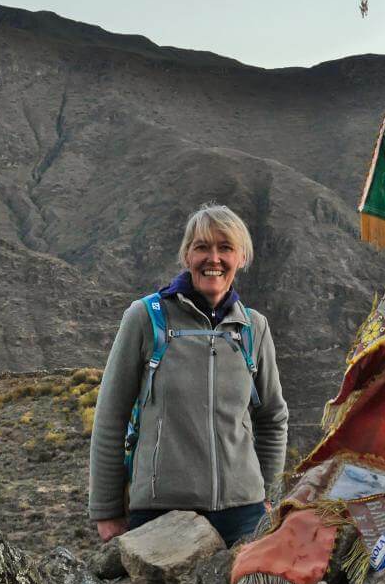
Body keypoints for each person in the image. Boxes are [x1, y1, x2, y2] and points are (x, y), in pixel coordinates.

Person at [88, 203, 288, 548]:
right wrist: (106, 510)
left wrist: (266, 494)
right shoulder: (146, 318)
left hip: (243, 514)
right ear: (186, 255)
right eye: (202, 247)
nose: (214, 258)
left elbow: (273, 417)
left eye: (225, 248)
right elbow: (110, 417)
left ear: (241, 258)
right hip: (161, 514)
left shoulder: (253, 328)